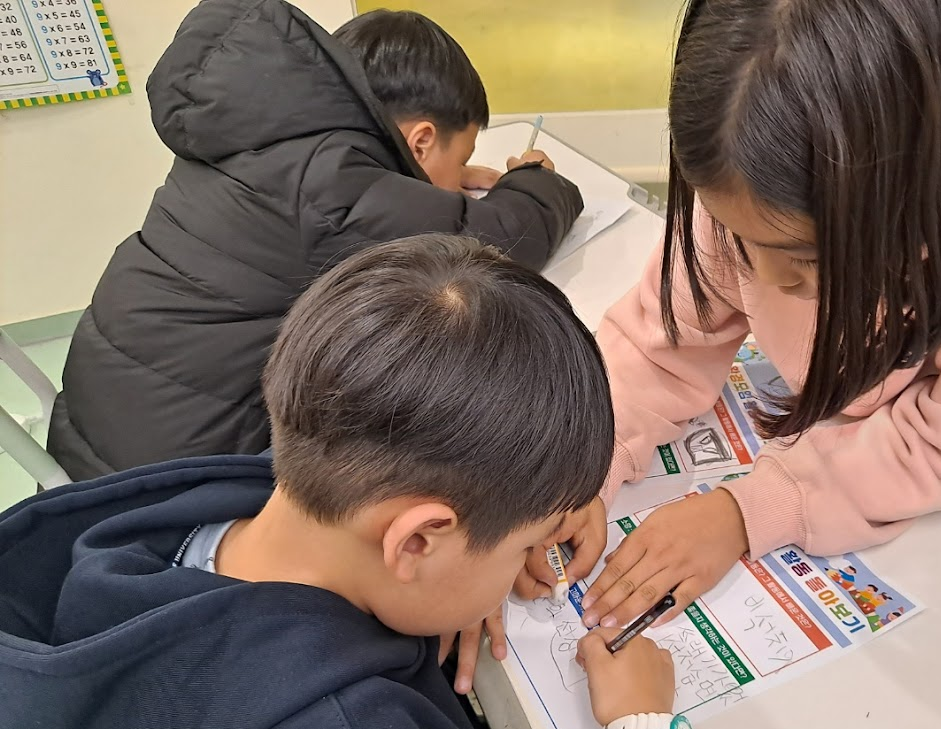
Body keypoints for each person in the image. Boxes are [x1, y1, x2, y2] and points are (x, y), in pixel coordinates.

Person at [0, 237, 715, 729]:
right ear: (415, 542)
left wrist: (459, 570)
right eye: (526, 547)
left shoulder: (195, 528)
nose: (530, 562)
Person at [522, 0, 941, 629]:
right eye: (734, 233)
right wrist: (585, 459)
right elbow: (664, 337)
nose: (761, 277)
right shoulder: (752, 137)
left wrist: (746, 512)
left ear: (919, 193)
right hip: (876, 371)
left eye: (801, 256)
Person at [48, 1, 583, 482]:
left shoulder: (258, 144)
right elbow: (508, 240)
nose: (461, 172)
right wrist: (537, 179)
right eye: (460, 156)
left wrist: (432, 178)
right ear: (420, 141)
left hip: (96, 431)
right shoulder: (334, 190)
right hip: (170, 485)